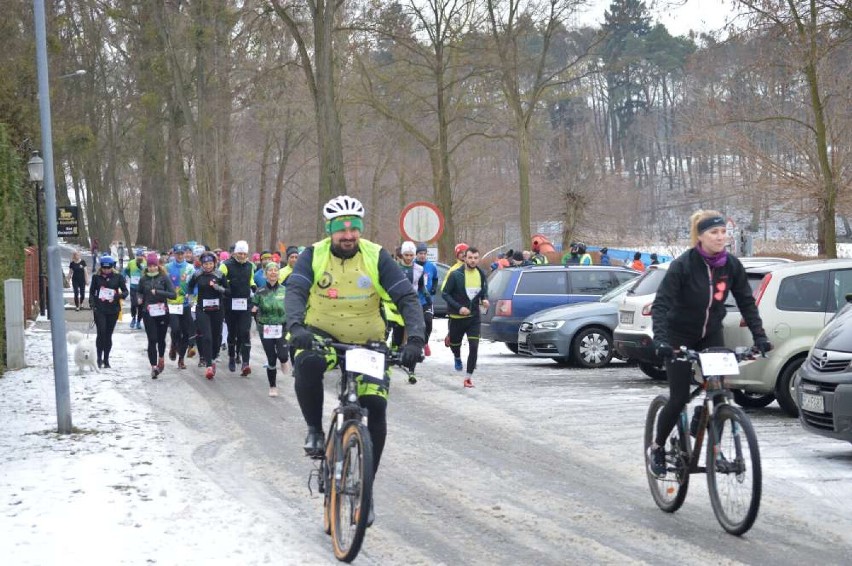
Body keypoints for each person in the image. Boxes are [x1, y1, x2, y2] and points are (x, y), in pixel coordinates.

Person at [286, 195, 425, 525]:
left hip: (367, 341)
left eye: (354, 229)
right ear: (330, 230)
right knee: (307, 363)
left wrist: (416, 339)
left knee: (375, 406)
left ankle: (367, 490)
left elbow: (406, 297)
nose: (348, 235)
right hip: (322, 336)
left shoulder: (375, 256)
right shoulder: (314, 254)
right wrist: (295, 326)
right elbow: (295, 291)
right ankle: (314, 431)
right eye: (341, 229)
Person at [646, 210, 772, 477]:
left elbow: (746, 303)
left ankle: (710, 435)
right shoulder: (684, 265)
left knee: (719, 388)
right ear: (700, 237)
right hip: (678, 334)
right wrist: (661, 340)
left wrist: (760, 336)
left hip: (710, 332)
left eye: (723, 231)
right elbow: (661, 305)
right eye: (714, 232)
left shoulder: (731, 265)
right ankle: (657, 447)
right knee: (679, 398)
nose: (720, 236)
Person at [442, 246, 489, 388]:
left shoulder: (481, 274)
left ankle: (468, 377)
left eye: (475, 258)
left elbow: (483, 292)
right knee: (455, 345)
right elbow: (445, 294)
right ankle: (456, 356)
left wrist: (485, 299)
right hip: (457, 318)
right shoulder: (456, 275)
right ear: (465, 258)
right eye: (470, 258)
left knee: (474, 346)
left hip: (474, 317)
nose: (473, 260)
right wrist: (459, 307)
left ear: (478, 259)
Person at [187, 251, 230, 379]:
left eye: (210, 263)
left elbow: (228, 291)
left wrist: (218, 288)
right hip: (202, 309)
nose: (208, 266)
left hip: (217, 309)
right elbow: (190, 286)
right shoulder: (197, 274)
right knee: (207, 337)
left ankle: (214, 356)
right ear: (202, 264)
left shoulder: (219, 275)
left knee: (217, 336)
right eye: (205, 263)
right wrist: (190, 299)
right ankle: (209, 365)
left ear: (214, 263)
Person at [251, 262, 289, 397]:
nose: (273, 272)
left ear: (278, 274)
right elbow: (254, 307)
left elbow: (291, 307)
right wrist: (254, 311)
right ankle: (272, 386)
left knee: (283, 355)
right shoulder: (260, 291)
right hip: (265, 327)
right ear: (266, 274)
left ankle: (284, 360)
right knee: (271, 358)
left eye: (275, 270)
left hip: (281, 327)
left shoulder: (285, 290)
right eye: (270, 271)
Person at [220, 240, 257, 375]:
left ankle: (245, 362)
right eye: (240, 253)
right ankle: (231, 356)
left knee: (244, 332)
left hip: (245, 303)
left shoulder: (250, 266)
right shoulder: (226, 265)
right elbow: (219, 280)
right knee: (232, 332)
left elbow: (251, 279)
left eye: (244, 253)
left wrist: (253, 286)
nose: (242, 256)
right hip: (230, 303)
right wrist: (226, 286)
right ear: (235, 253)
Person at [138, 252, 177, 378]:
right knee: (152, 339)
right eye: (150, 266)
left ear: (158, 265)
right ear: (147, 266)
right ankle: (154, 367)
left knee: (161, 339)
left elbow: (173, 295)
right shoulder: (143, 279)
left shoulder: (164, 277)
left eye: (154, 265)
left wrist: (159, 292)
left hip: (162, 312)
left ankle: (161, 357)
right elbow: (138, 292)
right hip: (148, 312)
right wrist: (139, 298)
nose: (152, 268)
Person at [89, 255, 128, 368]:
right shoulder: (96, 277)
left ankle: (106, 359)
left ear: (112, 267)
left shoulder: (118, 277)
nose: (106, 270)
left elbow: (125, 292)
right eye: (104, 268)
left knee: (108, 334)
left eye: (108, 268)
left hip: (113, 309)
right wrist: (92, 304)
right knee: (101, 332)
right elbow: (92, 292)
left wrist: (117, 296)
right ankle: (98, 358)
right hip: (99, 308)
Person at [390, 241, 429, 355]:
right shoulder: (395, 267)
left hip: (411, 302)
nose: (409, 257)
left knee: (411, 327)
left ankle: (407, 351)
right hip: (396, 302)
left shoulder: (419, 269)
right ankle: (395, 346)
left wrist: (427, 296)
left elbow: (421, 286)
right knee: (398, 328)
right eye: (406, 255)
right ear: (402, 254)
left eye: (411, 255)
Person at [166, 245, 196, 370]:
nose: (179, 256)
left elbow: (195, 285)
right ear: (173, 254)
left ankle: (181, 358)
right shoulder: (167, 268)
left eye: (182, 253)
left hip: (185, 304)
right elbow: (163, 283)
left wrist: (193, 296)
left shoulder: (190, 268)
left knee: (186, 332)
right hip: (172, 304)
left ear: (185, 254)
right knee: (175, 329)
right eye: (177, 253)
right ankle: (173, 344)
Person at [414, 242, 438, 356]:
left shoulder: (431, 266)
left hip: (427, 301)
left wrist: (433, 288)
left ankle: (425, 343)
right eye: (420, 253)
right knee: (416, 324)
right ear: (416, 254)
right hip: (414, 300)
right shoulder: (412, 265)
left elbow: (435, 279)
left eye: (424, 253)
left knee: (428, 322)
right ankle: (414, 345)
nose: (422, 256)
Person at [124, 249, 146, 328]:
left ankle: (139, 321)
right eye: (138, 256)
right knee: (134, 304)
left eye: (141, 256)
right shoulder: (131, 262)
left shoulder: (145, 263)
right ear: (136, 256)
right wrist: (125, 277)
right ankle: (133, 318)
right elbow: (125, 271)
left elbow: (147, 273)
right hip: (133, 286)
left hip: (142, 288)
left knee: (140, 305)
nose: (139, 257)